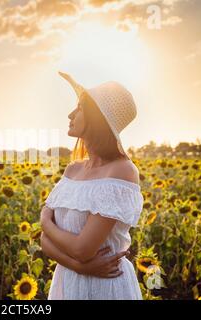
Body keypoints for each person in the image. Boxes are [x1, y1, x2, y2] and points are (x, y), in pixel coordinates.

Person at [40, 72, 144, 300]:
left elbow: (82, 249)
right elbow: (43, 241)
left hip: (105, 286)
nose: (70, 114)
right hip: (68, 281)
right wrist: (79, 267)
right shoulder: (73, 170)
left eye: (79, 108)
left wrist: (45, 222)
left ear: (97, 118)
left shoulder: (122, 171)